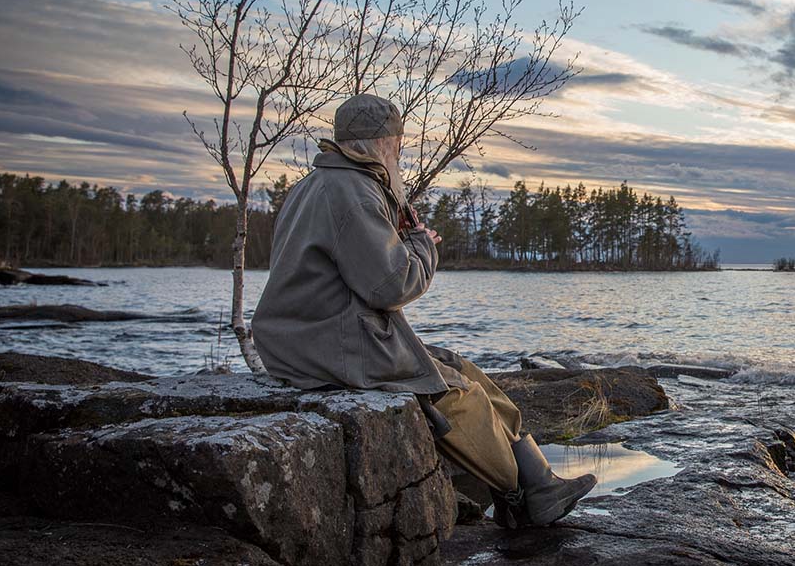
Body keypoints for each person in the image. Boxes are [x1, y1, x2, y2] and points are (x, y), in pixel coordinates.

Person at [252, 93, 596, 527]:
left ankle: (539, 483)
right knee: (454, 394)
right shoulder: (355, 192)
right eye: (398, 142)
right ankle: (519, 494)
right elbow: (391, 286)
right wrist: (421, 246)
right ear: (384, 144)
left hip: (308, 337)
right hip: (328, 344)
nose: (400, 151)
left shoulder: (315, 185)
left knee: (458, 366)